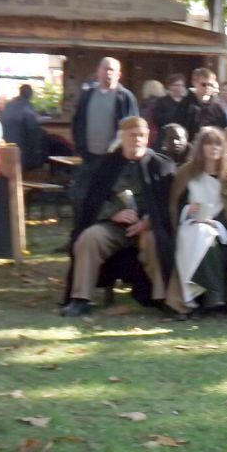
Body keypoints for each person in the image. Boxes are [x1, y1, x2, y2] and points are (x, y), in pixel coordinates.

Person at [60, 117, 174, 317]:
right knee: (89, 238)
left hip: (148, 227)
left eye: (141, 135)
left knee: (155, 241)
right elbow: (90, 200)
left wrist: (148, 221)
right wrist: (113, 213)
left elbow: (169, 202)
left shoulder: (160, 164)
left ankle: (163, 298)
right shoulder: (107, 165)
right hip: (114, 226)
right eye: (132, 135)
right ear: (122, 137)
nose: (137, 140)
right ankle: (80, 298)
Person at [164, 127, 227, 316]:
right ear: (200, 147)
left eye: (218, 143)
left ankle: (210, 296)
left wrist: (217, 223)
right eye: (208, 143)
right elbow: (175, 205)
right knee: (199, 234)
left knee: (208, 237)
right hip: (190, 226)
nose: (213, 148)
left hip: (221, 228)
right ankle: (211, 295)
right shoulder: (186, 173)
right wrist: (189, 210)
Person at [71, 57, 139, 215]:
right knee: (80, 196)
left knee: (113, 198)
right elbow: (78, 122)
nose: (108, 73)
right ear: (98, 71)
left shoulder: (125, 97)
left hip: (114, 160)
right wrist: (80, 147)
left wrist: (118, 149)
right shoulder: (87, 95)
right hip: (89, 158)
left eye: (112, 70)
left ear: (119, 74)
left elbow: (132, 127)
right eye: (105, 69)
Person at [0, 84, 44, 170]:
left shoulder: (9, 104)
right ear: (30, 94)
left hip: (4, 142)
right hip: (19, 144)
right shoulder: (26, 106)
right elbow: (32, 126)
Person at [151, 74, 191, 149]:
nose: (180, 87)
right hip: (166, 138)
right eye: (177, 85)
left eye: (182, 85)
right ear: (170, 87)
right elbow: (157, 118)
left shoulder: (188, 102)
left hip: (184, 139)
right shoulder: (161, 102)